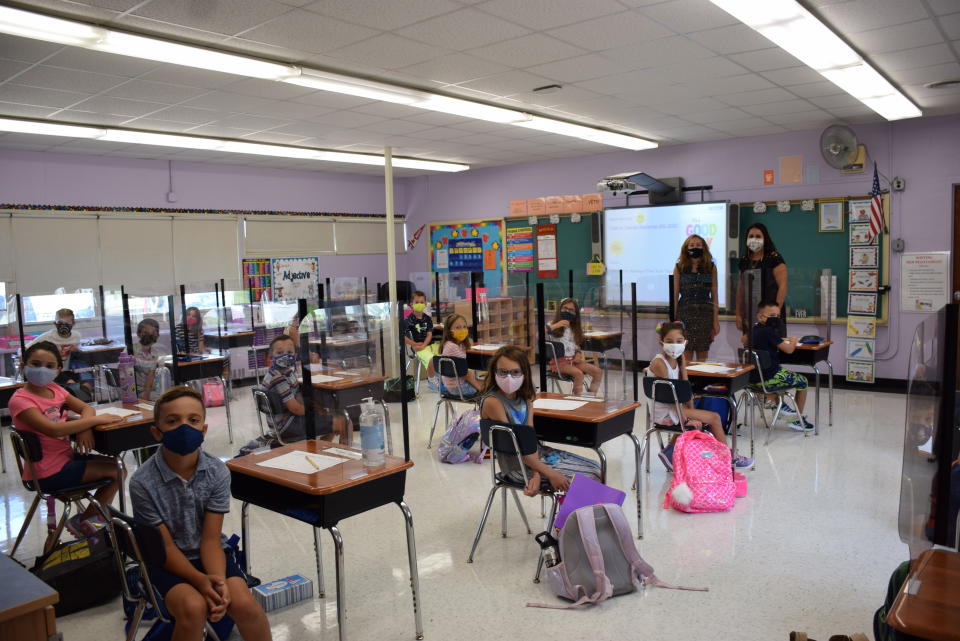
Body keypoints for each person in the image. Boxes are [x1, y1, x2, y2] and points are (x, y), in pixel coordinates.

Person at [129, 386, 272, 641]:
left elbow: (210, 539)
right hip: (167, 562)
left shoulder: (217, 471)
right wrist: (200, 581)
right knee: (193, 609)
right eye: (172, 421)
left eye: (193, 420)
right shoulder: (142, 482)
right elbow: (166, 549)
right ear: (156, 432)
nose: (184, 427)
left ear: (204, 429)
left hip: (211, 554)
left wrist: (216, 582)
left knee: (246, 606)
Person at [8, 341, 123, 537]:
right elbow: (52, 430)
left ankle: (88, 522)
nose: (42, 370)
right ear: (23, 364)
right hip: (47, 473)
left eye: (49, 366)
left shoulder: (56, 389)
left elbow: (86, 408)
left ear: (58, 369)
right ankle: (88, 524)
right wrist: (94, 421)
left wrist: (84, 428)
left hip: (64, 460)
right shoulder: (20, 400)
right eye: (35, 364)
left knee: (118, 466)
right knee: (117, 471)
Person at [479, 345, 600, 496]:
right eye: (503, 372)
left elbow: (529, 440)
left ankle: (582, 518)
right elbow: (516, 447)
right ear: (494, 372)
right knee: (589, 478)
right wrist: (547, 473)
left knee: (597, 468)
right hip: (517, 467)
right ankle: (573, 518)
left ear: (524, 373)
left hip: (536, 457)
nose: (509, 377)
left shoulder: (527, 398)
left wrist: (538, 473)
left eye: (515, 372)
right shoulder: (493, 402)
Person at [648, 321, 753, 469]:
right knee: (714, 418)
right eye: (669, 341)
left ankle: (670, 452)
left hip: (674, 407)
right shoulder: (659, 362)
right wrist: (686, 419)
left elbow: (685, 388)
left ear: (685, 342)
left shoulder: (680, 358)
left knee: (702, 416)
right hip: (665, 411)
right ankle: (729, 458)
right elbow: (670, 396)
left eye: (678, 341)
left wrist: (691, 414)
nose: (674, 345)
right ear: (661, 343)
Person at [260, 334, 351, 443]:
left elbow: (298, 397)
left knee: (327, 414)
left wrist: (316, 409)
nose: (285, 356)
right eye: (280, 353)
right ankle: (344, 453)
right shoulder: (278, 378)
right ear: (270, 356)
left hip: (280, 424)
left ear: (295, 354)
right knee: (344, 421)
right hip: (287, 426)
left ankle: (323, 447)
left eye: (289, 353)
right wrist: (313, 410)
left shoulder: (286, 372)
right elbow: (296, 409)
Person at [746, 301, 814, 432]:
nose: (775, 319)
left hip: (751, 380)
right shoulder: (769, 332)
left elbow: (743, 340)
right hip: (768, 379)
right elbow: (788, 350)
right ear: (760, 317)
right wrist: (793, 341)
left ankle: (778, 405)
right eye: (772, 315)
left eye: (777, 316)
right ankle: (796, 419)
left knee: (783, 374)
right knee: (803, 381)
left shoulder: (754, 330)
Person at [673, 234, 719, 361]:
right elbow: (675, 295)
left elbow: (715, 295)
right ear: (686, 248)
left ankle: (700, 381)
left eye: (698, 245)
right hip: (685, 315)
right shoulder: (679, 268)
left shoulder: (711, 267)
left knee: (702, 355)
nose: (695, 247)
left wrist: (715, 320)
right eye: (692, 245)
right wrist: (673, 319)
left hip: (705, 315)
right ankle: (688, 380)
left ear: (704, 247)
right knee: (686, 355)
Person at [27, 308, 92, 399]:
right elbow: (26, 349)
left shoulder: (77, 336)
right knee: (72, 386)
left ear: (73, 324)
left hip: (70, 369)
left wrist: (76, 351)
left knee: (86, 385)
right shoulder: (48, 336)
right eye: (60, 323)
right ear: (55, 323)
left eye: (67, 323)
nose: (63, 326)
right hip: (53, 370)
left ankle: (83, 407)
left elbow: (82, 353)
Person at [736, 223, 787, 334]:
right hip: (750, 314)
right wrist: (738, 315)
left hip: (771, 315)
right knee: (750, 348)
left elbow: (782, 287)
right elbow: (740, 291)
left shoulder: (774, 258)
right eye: (751, 236)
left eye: (758, 236)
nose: (754, 239)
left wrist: (774, 315)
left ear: (765, 238)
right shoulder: (744, 261)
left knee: (771, 348)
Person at [546, 297, 602, 396]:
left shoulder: (574, 328)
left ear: (575, 313)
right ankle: (577, 399)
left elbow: (576, 345)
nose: (567, 311)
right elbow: (538, 335)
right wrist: (556, 325)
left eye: (571, 310)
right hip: (559, 363)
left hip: (573, 360)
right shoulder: (552, 324)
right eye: (565, 308)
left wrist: (578, 353)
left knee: (597, 372)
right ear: (560, 309)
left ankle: (591, 398)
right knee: (578, 374)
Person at [438, 314, 482, 397]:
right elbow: (466, 373)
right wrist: (480, 388)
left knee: (487, 383)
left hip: (453, 386)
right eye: (457, 327)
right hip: (459, 388)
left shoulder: (455, 344)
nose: (462, 330)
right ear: (449, 330)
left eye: (464, 327)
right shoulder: (452, 347)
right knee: (490, 388)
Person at [403, 290, 437, 377]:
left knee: (445, 355)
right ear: (411, 304)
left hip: (428, 345)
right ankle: (432, 378)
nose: (419, 304)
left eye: (422, 302)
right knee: (431, 359)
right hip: (417, 348)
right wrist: (415, 344)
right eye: (417, 302)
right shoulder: (408, 320)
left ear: (425, 304)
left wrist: (424, 345)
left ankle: (444, 379)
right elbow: (403, 337)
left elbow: (429, 334)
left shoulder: (428, 318)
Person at [133, 318, 167, 402]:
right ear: (138, 334)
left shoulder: (156, 353)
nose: (149, 336)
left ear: (158, 335)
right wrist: (145, 398)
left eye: (153, 333)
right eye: (145, 332)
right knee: (165, 400)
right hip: (138, 392)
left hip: (154, 390)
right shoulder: (131, 351)